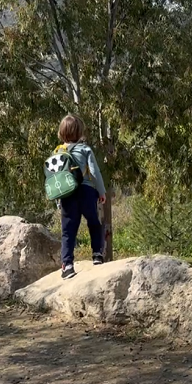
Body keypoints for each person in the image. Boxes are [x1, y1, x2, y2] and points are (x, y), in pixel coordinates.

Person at [54, 114, 107, 279]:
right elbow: (94, 172)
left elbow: (56, 179)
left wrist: (58, 200)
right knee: (93, 223)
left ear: (61, 133)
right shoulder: (85, 150)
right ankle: (97, 255)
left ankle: (67, 265)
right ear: (80, 132)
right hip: (86, 191)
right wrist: (101, 191)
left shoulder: (58, 152)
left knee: (68, 231)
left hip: (67, 195)